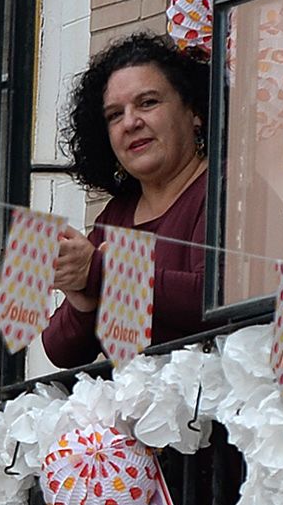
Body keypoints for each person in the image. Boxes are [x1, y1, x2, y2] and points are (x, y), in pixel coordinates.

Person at [42, 31, 215, 368]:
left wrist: (102, 272)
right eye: (114, 115)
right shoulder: (115, 217)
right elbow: (60, 351)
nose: (131, 123)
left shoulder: (227, 189)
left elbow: (213, 300)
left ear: (194, 111)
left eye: (147, 102)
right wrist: (83, 298)